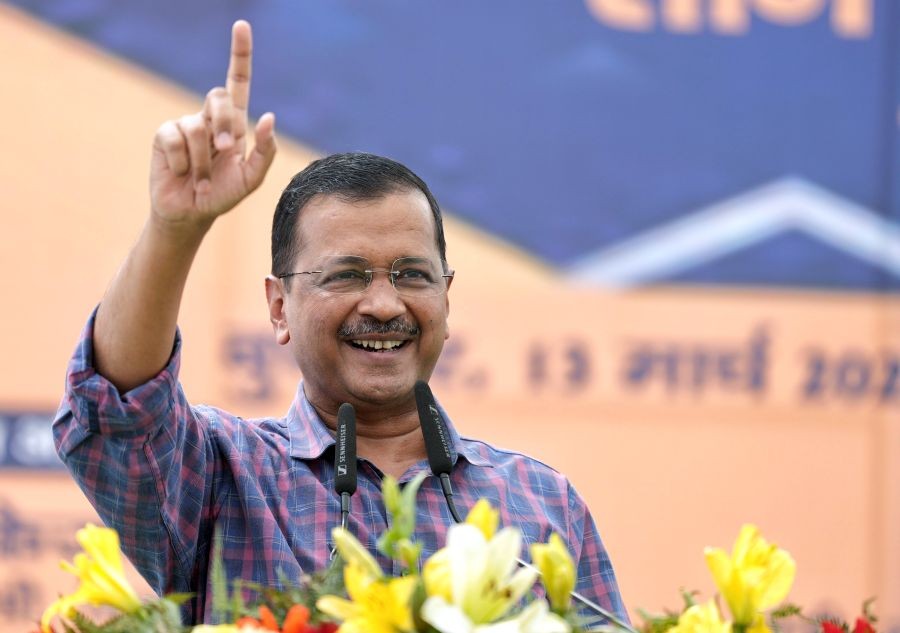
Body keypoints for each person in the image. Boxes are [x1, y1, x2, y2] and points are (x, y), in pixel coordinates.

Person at [53, 20, 628, 626]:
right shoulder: (228, 478)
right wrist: (175, 230)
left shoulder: (540, 502)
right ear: (279, 308)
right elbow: (118, 414)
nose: (384, 304)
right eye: (346, 275)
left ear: (447, 299)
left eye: (411, 274)